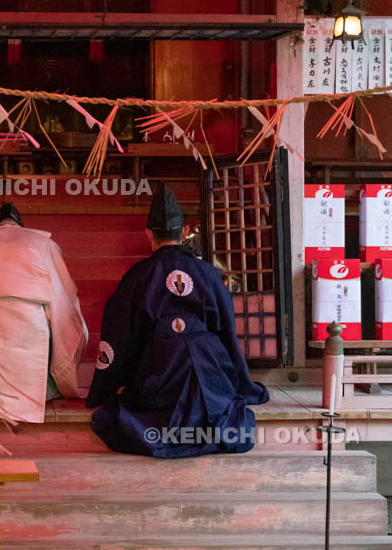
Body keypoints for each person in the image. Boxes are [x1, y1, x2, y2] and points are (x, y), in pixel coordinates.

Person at [86, 185, 268, 457]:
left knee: (138, 412)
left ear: (149, 234)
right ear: (184, 233)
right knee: (218, 403)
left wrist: (102, 389)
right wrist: (239, 380)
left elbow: (118, 338)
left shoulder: (138, 276)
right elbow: (226, 331)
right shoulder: (208, 273)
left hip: (161, 374)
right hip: (210, 372)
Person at [0, 204, 88, 425]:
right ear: (20, 225)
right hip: (29, 317)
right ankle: (35, 396)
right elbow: (64, 294)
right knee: (59, 323)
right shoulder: (43, 242)